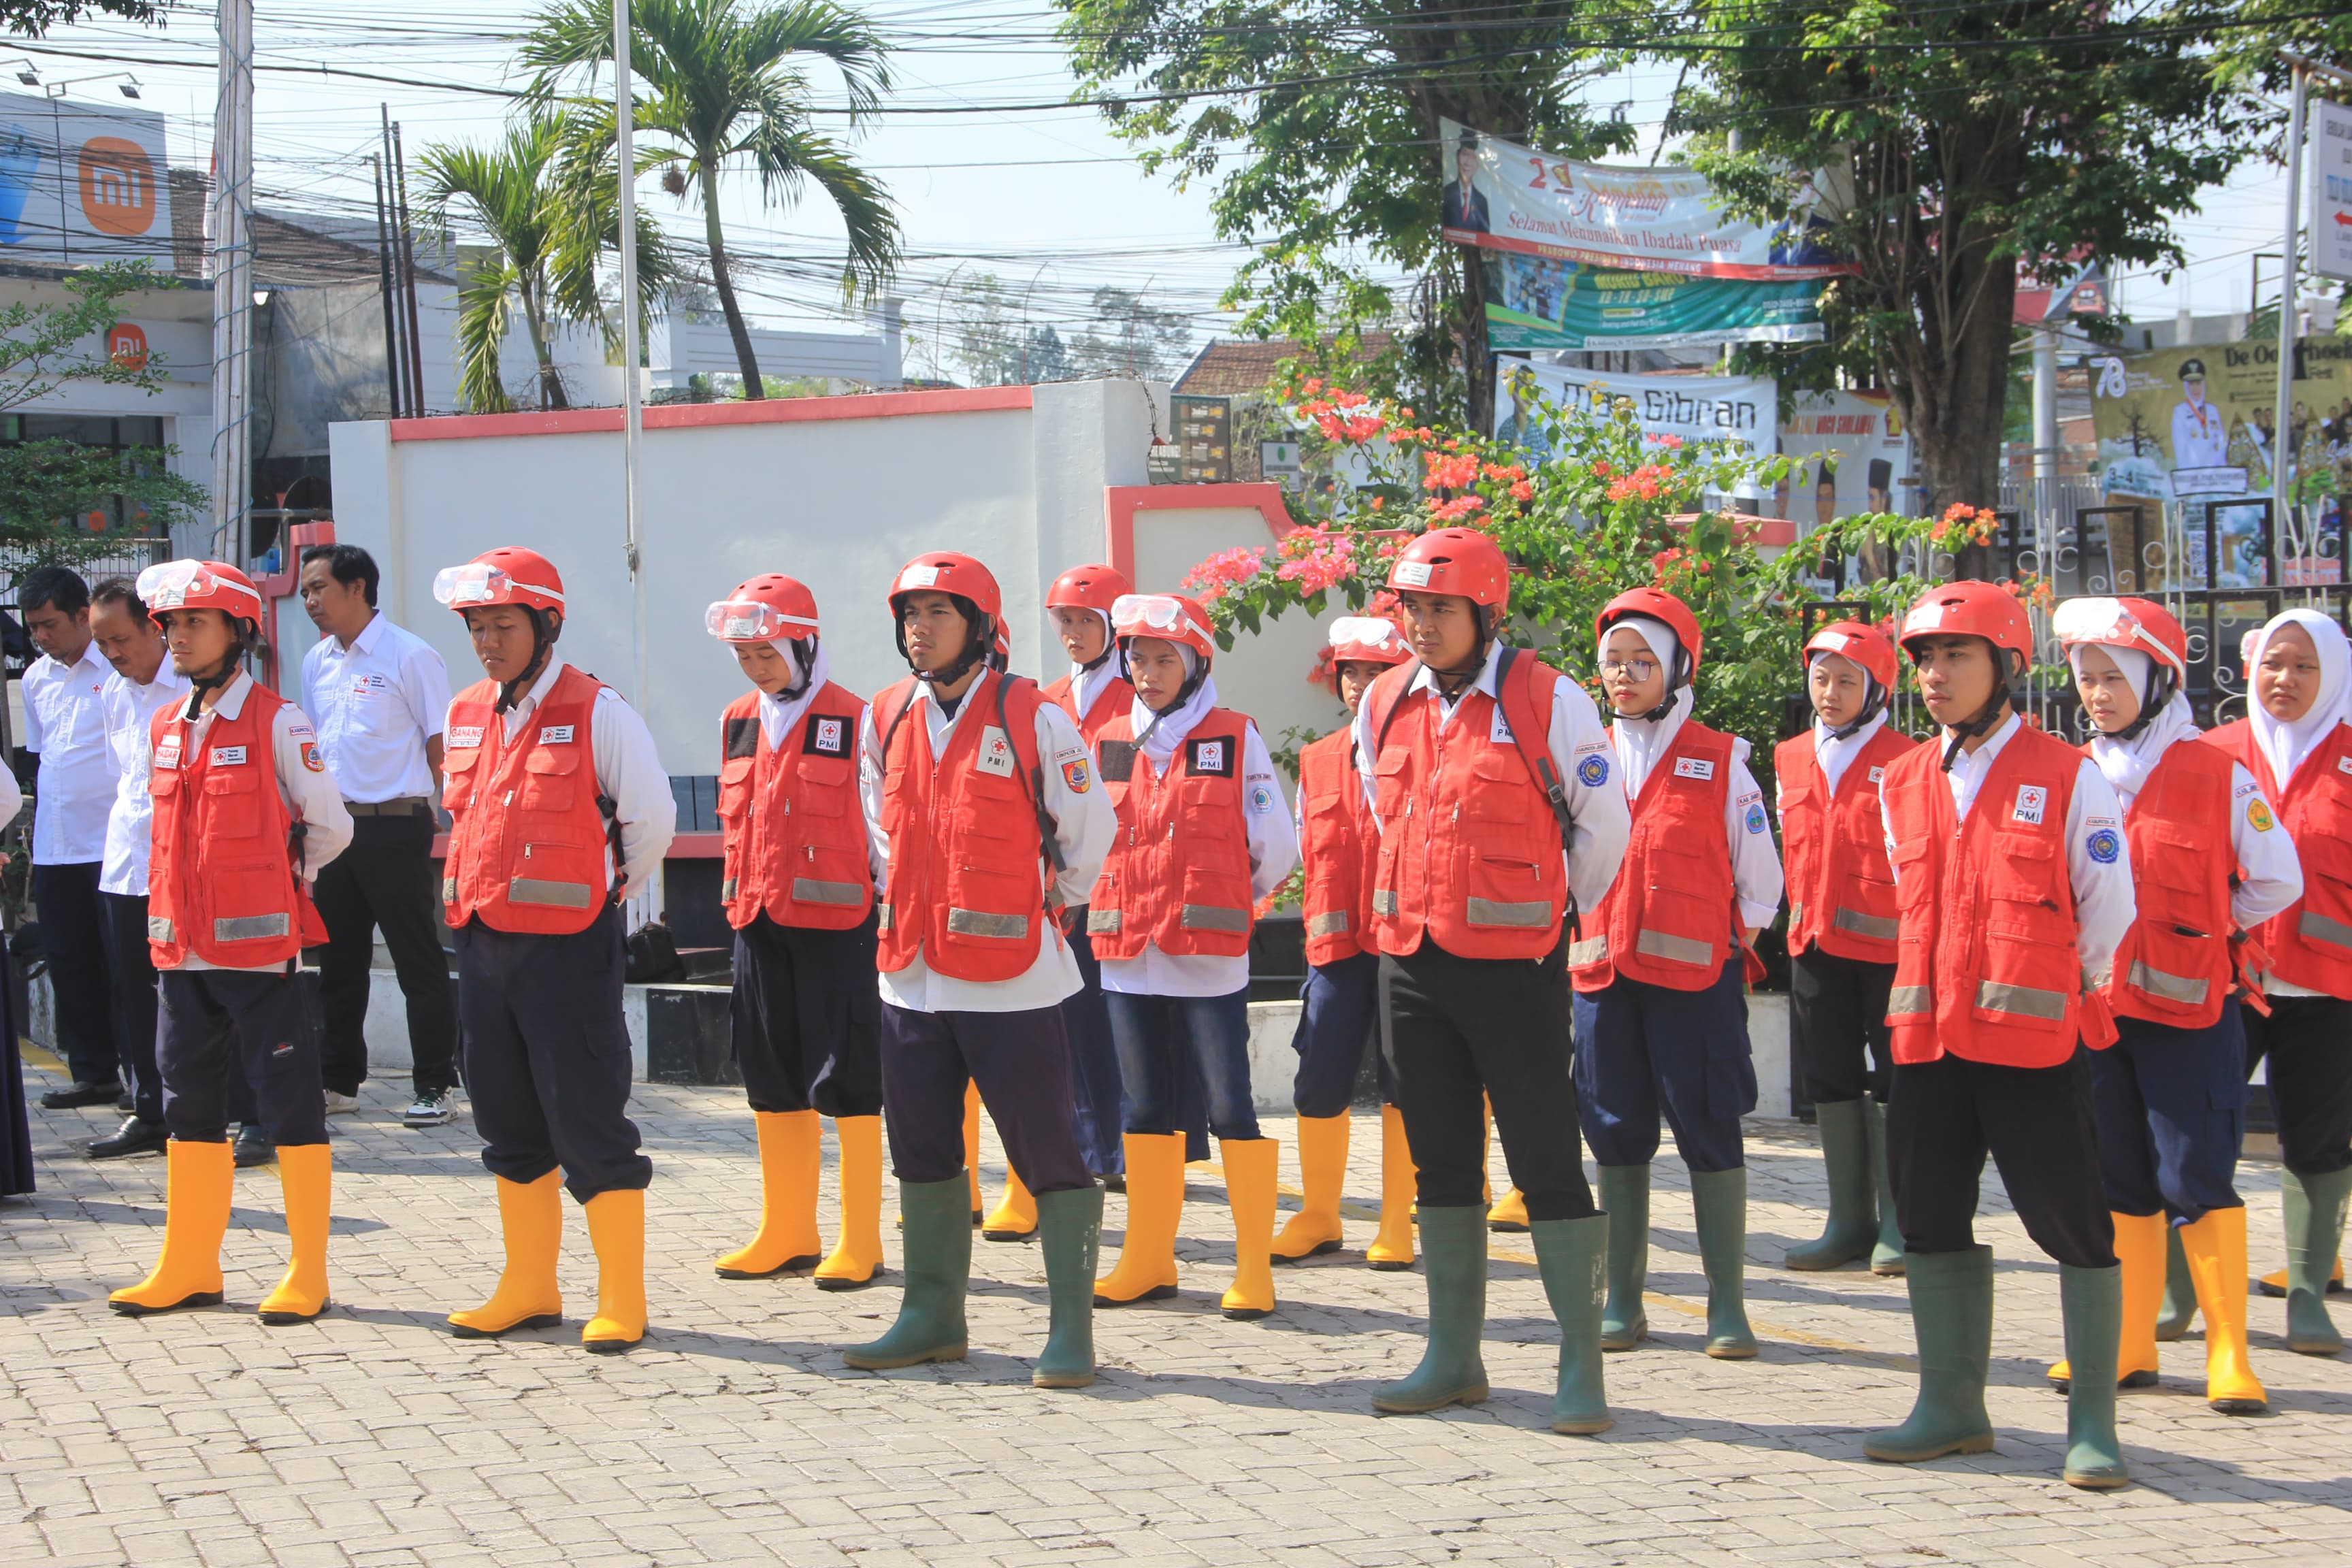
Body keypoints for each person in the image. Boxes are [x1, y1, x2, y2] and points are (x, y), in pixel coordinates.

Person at [1355, 527, 1631, 1431]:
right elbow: (1377, 805)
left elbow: (1602, 832)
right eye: (1411, 609)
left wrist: (1547, 918)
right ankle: (1453, 1356)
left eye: (1440, 609)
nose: (1422, 626)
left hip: (1515, 968)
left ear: (1487, 612)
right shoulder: (1386, 703)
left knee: (1546, 1160)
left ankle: (1581, 1365)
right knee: (1439, 1162)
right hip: (1411, 964)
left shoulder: (1548, 701)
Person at [1869, 581, 2136, 1490]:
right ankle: (1952, 1409)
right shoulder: (1901, 780)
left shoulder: (2071, 775)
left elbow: (2107, 915)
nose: (1936, 675)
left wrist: (2057, 989)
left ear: (2007, 667)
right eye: (1926, 659)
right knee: (1930, 1218)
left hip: (2031, 1047)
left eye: (1957, 656)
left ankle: (2093, 1426)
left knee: (2074, 1227)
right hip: (1927, 1047)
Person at [850, 551, 1113, 1386]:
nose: (917, 630)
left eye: (937, 613)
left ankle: (1071, 1330)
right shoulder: (885, 715)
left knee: (1046, 1153)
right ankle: (931, 1316)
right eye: (909, 614)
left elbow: (1088, 838)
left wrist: (1045, 907)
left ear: (981, 627)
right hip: (909, 980)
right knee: (922, 1151)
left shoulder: (1033, 716)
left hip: (1014, 981)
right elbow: (879, 833)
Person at [2044, 595, 2296, 1416]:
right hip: (2103, 1011)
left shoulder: (2219, 773)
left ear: (2158, 677)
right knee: (2118, 1175)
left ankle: (2230, 1352)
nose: (2098, 694)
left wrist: (2210, 931)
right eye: (2087, 679)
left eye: (2114, 677)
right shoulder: (2076, 771)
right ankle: (2130, 1343)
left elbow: (2275, 880)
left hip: (2193, 1014)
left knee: (2199, 1175)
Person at [434, 548, 676, 1354]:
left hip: (570, 950)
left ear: (547, 625)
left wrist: (599, 894)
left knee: (587, 1120)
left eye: (503, 624)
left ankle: (622, 1298)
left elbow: (648, 825)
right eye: (477, 627)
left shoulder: (599, 710)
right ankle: (530, 1286)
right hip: (482, 945)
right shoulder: (465, 710)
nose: (488, 641)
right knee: (505, 1120)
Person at [107, 560, 353, 1324]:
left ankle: (306, 1270)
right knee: (188, 1107)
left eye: (194, 623)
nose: (177, 637)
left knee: (288, 1107)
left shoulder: (281, 721)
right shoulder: (164, 725)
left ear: (238, 632)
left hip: (259, 957)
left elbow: (330, 828)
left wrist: (280, 886)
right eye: (171, 625)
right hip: (180, 955)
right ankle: (189, 1266)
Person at [1572, 588, 1784, 1360]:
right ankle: (1622, 1301)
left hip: (1694, 982)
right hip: (1602, 978)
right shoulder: (1584, 751)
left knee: (1709, 1130)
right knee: (1614, 1134)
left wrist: (1710, 942)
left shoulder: (1724, 760)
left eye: (1642, 662)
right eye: (1613, 662)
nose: (1624, 675)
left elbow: (1761, 882)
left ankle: (1727, 1307)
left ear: (1677, 669)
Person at [1089, 591, 1298, 1320]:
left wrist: (1230, 895)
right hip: (1127, 953)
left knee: (1229, 1106)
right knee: (1143, 1106)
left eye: (1163, 660)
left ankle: (1251, 1270)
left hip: (1207, 954)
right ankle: (1147, 1260)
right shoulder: (1109, 738)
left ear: (1194, 663)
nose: (1148, 672)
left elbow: (1277, 849)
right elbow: (1084, 835)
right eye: (1138, 659)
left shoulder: (1236, 736)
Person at [703, 574, 885, 1292]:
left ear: (804, 646)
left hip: (839, 927)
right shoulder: (737, 719)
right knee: (770, 1075)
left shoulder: (859, 719)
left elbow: (883, 830)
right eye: (746, 658)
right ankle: (788, 1230)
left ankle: (860, 1239)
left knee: (847, 1077)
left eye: (768, 655)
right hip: (757, 922)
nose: (757, 669)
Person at [2204, 608, 2352, 1357]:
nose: (2284, 679)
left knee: (2318, 1140)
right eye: (2273, 663)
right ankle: (2183, 1297)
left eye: (2304, 666)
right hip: (2229, 979)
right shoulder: (2215, 754)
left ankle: (2306, 1295)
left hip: (2330, 989)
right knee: (2198, 1134)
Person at [298, 542, 460, 1127]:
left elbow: (442, 742)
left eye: (319, 588)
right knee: (338, 962)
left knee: (417, 958)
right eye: (306, 591)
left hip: (395, 826)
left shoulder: (411, 656)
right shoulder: (317, 661)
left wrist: (458, 818)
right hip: (334, 831)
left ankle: (435, 1085)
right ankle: (338, 1081)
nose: (310, 600)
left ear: (359, 587)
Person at [1273, 615, 1416, 1269]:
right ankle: (1320, 1215)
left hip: (1405, 942)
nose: (1361, 685)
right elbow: (1307, 845)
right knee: (1318, 1077)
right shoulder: (1318, 758)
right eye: (1352, 672)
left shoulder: (1424, 750)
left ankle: (1396, 1220)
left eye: (1377, 672)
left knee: (1404, 1080)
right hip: (1334, 948)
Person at [1775, 621, 1915, 1275]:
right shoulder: (1790, 754)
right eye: (1821, 678)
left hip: (1890, 952)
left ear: (1878, 689)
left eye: (1847, 681)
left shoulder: (1911, 761)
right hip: (1816, 945)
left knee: (1894, 1081)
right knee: (1829, 1078)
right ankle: (1847, 1221)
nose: (1830, 693)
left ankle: (1899, 1222)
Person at [1031, 561, 1134, 1202]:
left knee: (1113, 1024)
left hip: (1124, 892)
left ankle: (1123, 1147)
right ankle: (1080, 1145)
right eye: (1063, 620)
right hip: (1064, 890)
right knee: (1066, 1022)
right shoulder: (1045, 701)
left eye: (1083, 620)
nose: (1071, 632)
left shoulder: (1142, 695)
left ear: (1112, 628)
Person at [84, 576, 191, 1160]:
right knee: (135, 995)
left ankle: (217, 1110)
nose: (114, 654)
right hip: (126, 867)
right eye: (104, 645)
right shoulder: (112, 694)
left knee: (196, 995)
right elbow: (119, 781)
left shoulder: (190, 692)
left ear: (155, 627)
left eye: (121, 639)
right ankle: (149, 1110)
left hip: (180, 869)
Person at [18, 566, 125, 1112]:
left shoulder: (118, 669)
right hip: (57, 845)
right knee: (69, 960)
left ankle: (139, 1078)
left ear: (83, 614)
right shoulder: (38, 679)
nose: (41, 636)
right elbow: (42, 760)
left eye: (49, 624)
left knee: (121, 963)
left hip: (110, 844)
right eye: (33, 627)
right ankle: (92, 1074)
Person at [2170, 359, 2229, 472]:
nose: (2195, 389)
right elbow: (2180, 448)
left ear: (2203, 385)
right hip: (2193, 474)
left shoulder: (2213, 410)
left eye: (2198, 384)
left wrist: (2222, 469)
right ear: (2186, 387)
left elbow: (2220, 443)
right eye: (2191, 384)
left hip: (2214, 473)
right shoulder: (2180, 412)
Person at [1439, 129, 1490, 233]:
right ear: (1458, 157)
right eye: (1465, 154)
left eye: (1473, 157)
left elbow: (1485, 236)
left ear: (1478, 164)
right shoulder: (1447, 193)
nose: (1468, 162)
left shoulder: (1482, 201)